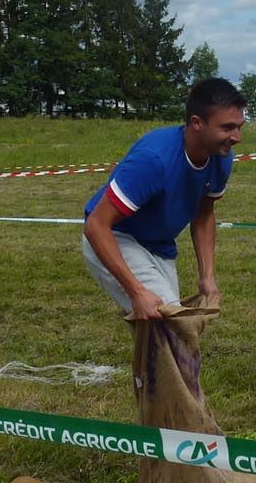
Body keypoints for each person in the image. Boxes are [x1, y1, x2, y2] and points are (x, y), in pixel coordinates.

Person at [81, 78, 246, 319]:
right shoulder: (154, 159)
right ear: (197, 123)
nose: (237, 137)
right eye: (228, 127)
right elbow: (96, 225)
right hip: (116, 237)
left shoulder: (220, 158)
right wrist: (136, 292)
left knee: (162, 324)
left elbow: (203, 214)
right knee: (172, 323)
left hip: (159, 246)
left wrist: (207, 278)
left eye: (239, 127)